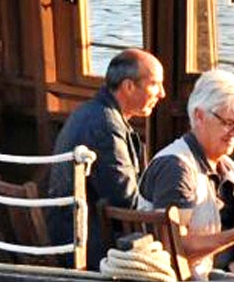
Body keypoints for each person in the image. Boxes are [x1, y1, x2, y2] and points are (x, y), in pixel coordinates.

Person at [137, 68, 234, 280]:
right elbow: (174, 249)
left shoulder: (229, 168)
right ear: (199, 116)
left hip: (230, 275)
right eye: (229, 124)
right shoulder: (176, 167)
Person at [48, 49, 164, 270]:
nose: (162, 94)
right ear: (129, 86)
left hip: (69, 230)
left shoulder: (92, 112)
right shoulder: (106, 125)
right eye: (155, 84)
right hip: (86, 245)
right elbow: (126, 202)